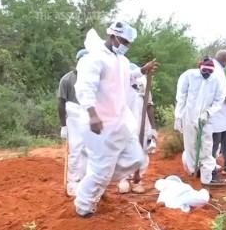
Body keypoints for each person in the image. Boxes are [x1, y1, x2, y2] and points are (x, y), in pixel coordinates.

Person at [72, 21, 158, 218]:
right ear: (112, 36)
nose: (126, 45)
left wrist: (143, 70)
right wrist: (93, 115)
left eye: (129, 42)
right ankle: (83, 205)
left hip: (120, 122)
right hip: (98, 124)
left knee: (136, 158)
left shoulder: (121, 60)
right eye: (123, 41)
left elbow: (126, 78)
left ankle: (98, 178)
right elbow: (85, 88)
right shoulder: (94, 59)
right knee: (101, 169)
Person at [175, 56, 226, 185]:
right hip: (189, 118)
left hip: (206, 119)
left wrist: (208, 113)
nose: (207, 74)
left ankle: (206, 181)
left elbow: (218, 101)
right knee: (191, 147)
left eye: (210, 71)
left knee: (207, 148)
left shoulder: (216, 81)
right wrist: (178, 116)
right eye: (205, 71)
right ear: (199, 67)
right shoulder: (188, 76)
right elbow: (181, 97)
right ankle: (194, 174)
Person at [117, 63, 158, 194]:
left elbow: (149, 106)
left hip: (142, 123)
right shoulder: (121, 87)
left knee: (141, 151)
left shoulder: (143, 88)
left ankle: (138, 180)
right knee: (124, 150)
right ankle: (123, 179)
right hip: (124, 124)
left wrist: (153, 128)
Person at [59, 48, 89, 197]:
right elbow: (61, 103)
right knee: (76, 149)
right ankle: (73, 183)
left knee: (89, 150)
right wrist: (63, 125)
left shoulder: (92, 79)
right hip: (74, 117)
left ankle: (86, 181)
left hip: (89, 116)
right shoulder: (67, 79)